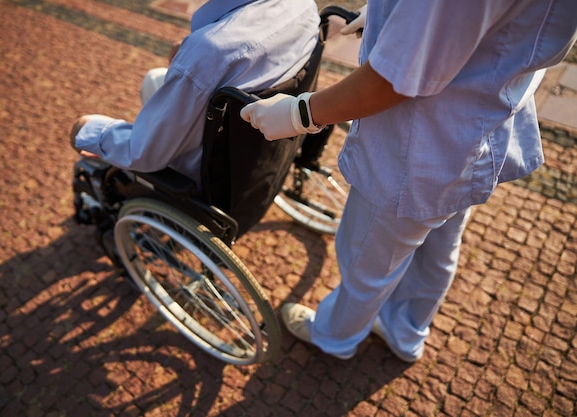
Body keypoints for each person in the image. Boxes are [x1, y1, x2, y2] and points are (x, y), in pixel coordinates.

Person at [241, 0, 577, 361]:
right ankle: (405, 330)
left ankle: (334, 337)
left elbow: (394, 78)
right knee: (438, 247)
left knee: (366, 259)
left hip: (418, 144)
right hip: (477, 127)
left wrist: (300, 112)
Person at [69, 0, 320, 189]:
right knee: (155, 80)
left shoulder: (209, 53)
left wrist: (89, 132)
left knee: (89, 129)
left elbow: (145, 154)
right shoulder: (302, 5)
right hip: (255, 158)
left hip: (209, 174)